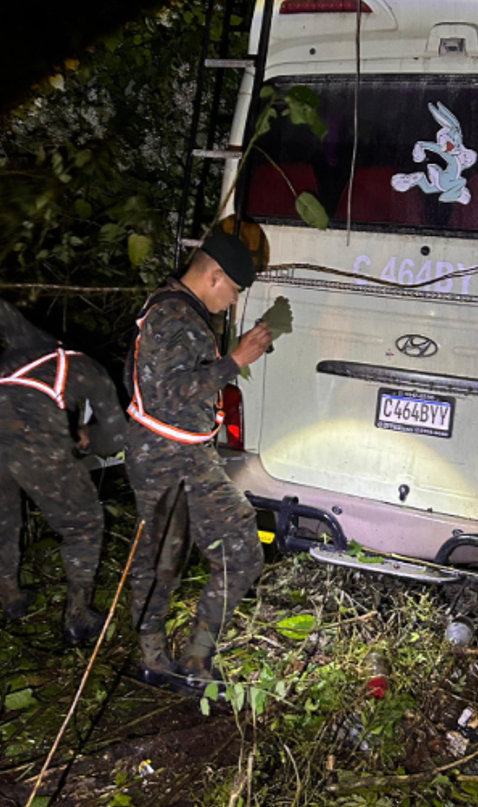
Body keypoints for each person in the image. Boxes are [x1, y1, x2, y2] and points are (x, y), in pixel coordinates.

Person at [123, 232, 273, 695]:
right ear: (215, 276)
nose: (232, 302)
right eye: (233, 291)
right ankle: (188, 662)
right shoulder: (173, 314)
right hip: (171, 456)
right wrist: (235, 360)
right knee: (239, 551)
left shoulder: (173, 308)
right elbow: (168, 393)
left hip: (170, 452)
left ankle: (166, 660)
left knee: (165, 555)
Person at [0, 294, 129, 644]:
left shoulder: (31, 342)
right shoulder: (92, 371)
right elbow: (115, 437)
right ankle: (77, 616)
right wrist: (85, 438)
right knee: (84, 522)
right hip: (31, 431)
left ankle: (11, 600)